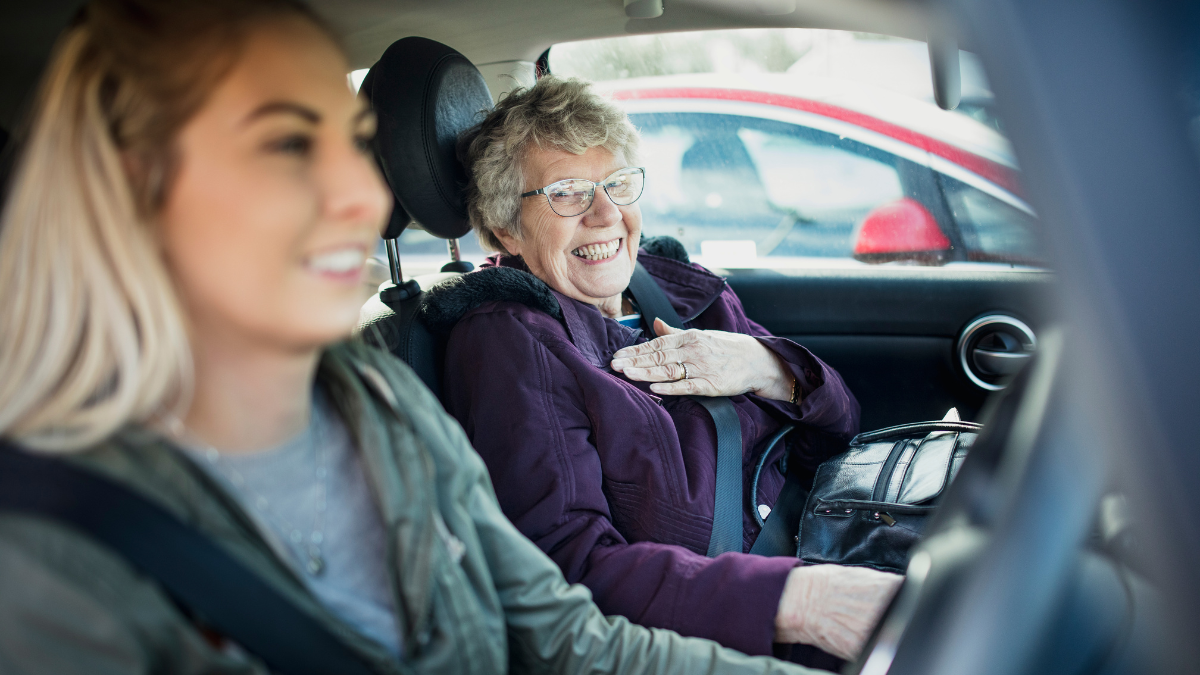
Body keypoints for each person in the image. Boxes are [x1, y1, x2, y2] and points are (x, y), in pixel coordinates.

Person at [0, 2, 826, 673]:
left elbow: (571, 636)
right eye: (288, 145)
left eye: (351, 148)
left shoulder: (377, 400)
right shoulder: (48, 557)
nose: (361, 197)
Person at [436, 76, 903, 665]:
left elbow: (840, 426)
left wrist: (763, 366)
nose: (605, 214)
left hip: (829, 540)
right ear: (508, 229)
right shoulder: (511, 342)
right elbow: (569, 572)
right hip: (734, 629)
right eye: (567, 192)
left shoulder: (675, 287)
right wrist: (802, 600)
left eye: (616, 184)